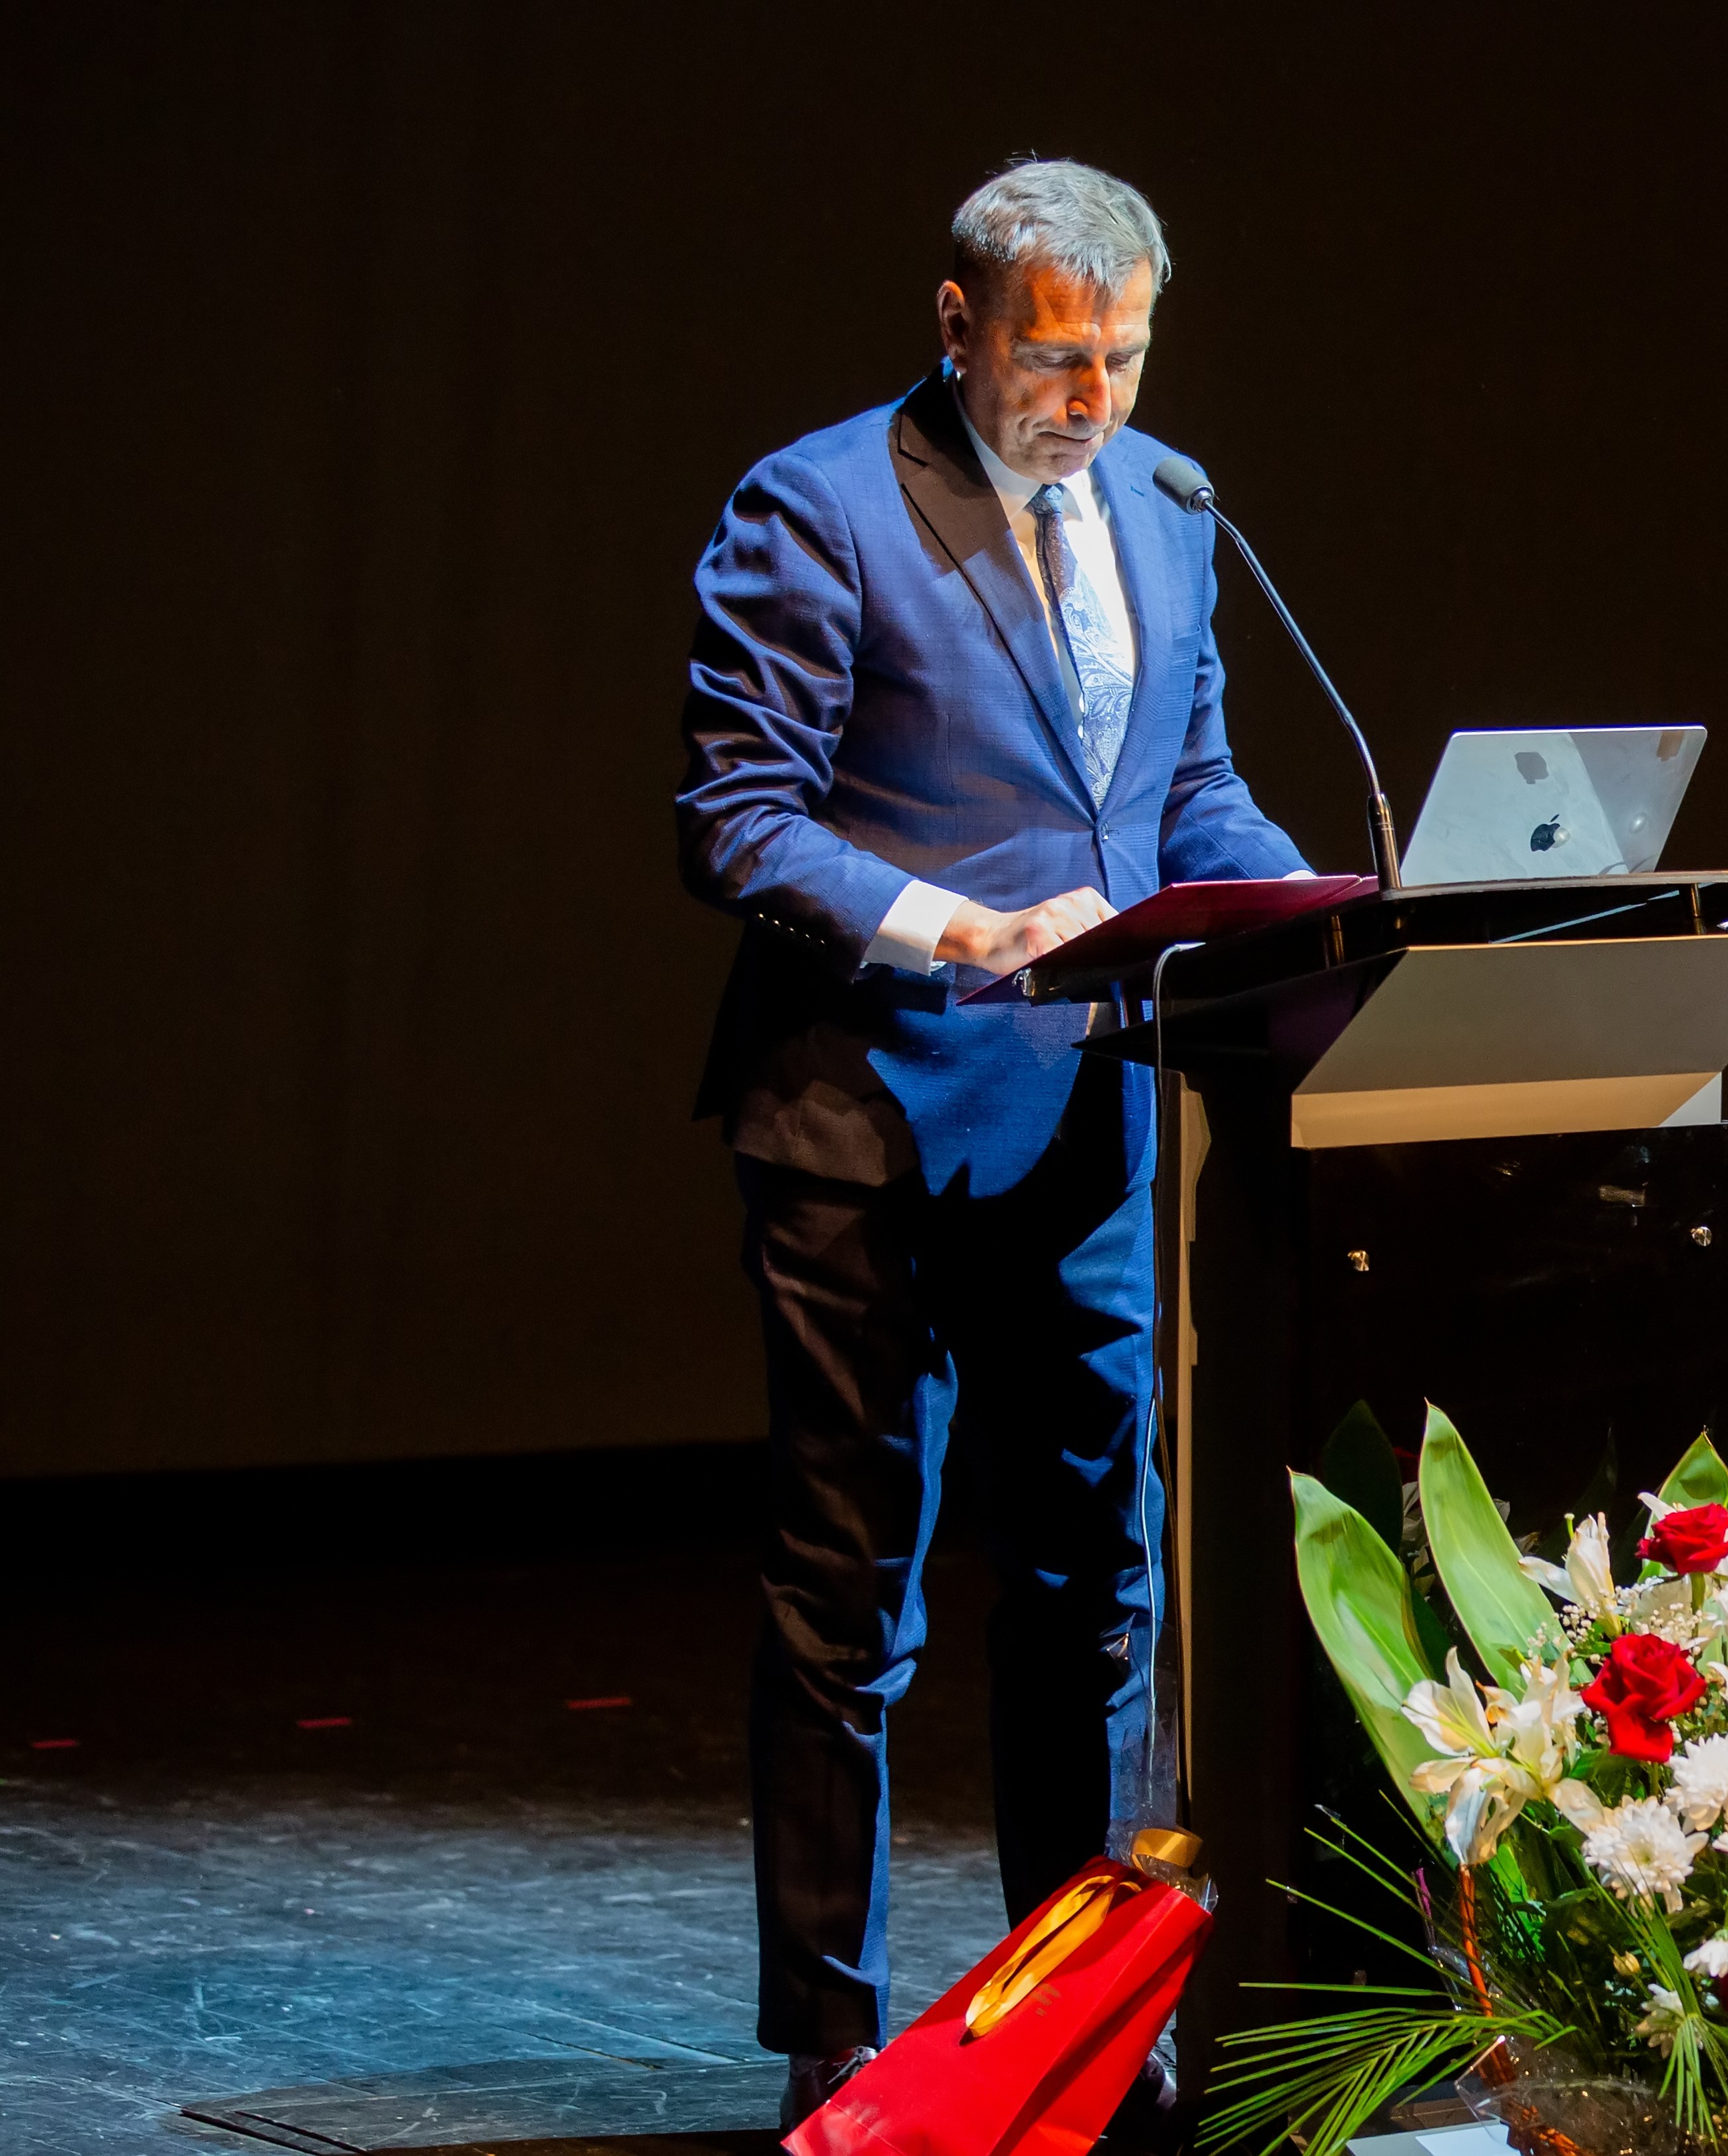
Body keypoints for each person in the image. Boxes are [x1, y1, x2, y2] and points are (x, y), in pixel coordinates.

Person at [673, 158, 1309, 2130]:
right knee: (852, 1601)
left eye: (1123, 356)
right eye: (1054, 358)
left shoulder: (1170, 505)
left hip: (1086, 1127)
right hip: (863, 1125)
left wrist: (1321, 912)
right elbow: (738, 819)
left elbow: (1186, 792)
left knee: (1098, 1587)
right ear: (959, 330)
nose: (1092, 398)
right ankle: (834, 2036)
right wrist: (957, 928)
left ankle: (1078, 2015)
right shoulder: (818, 506)